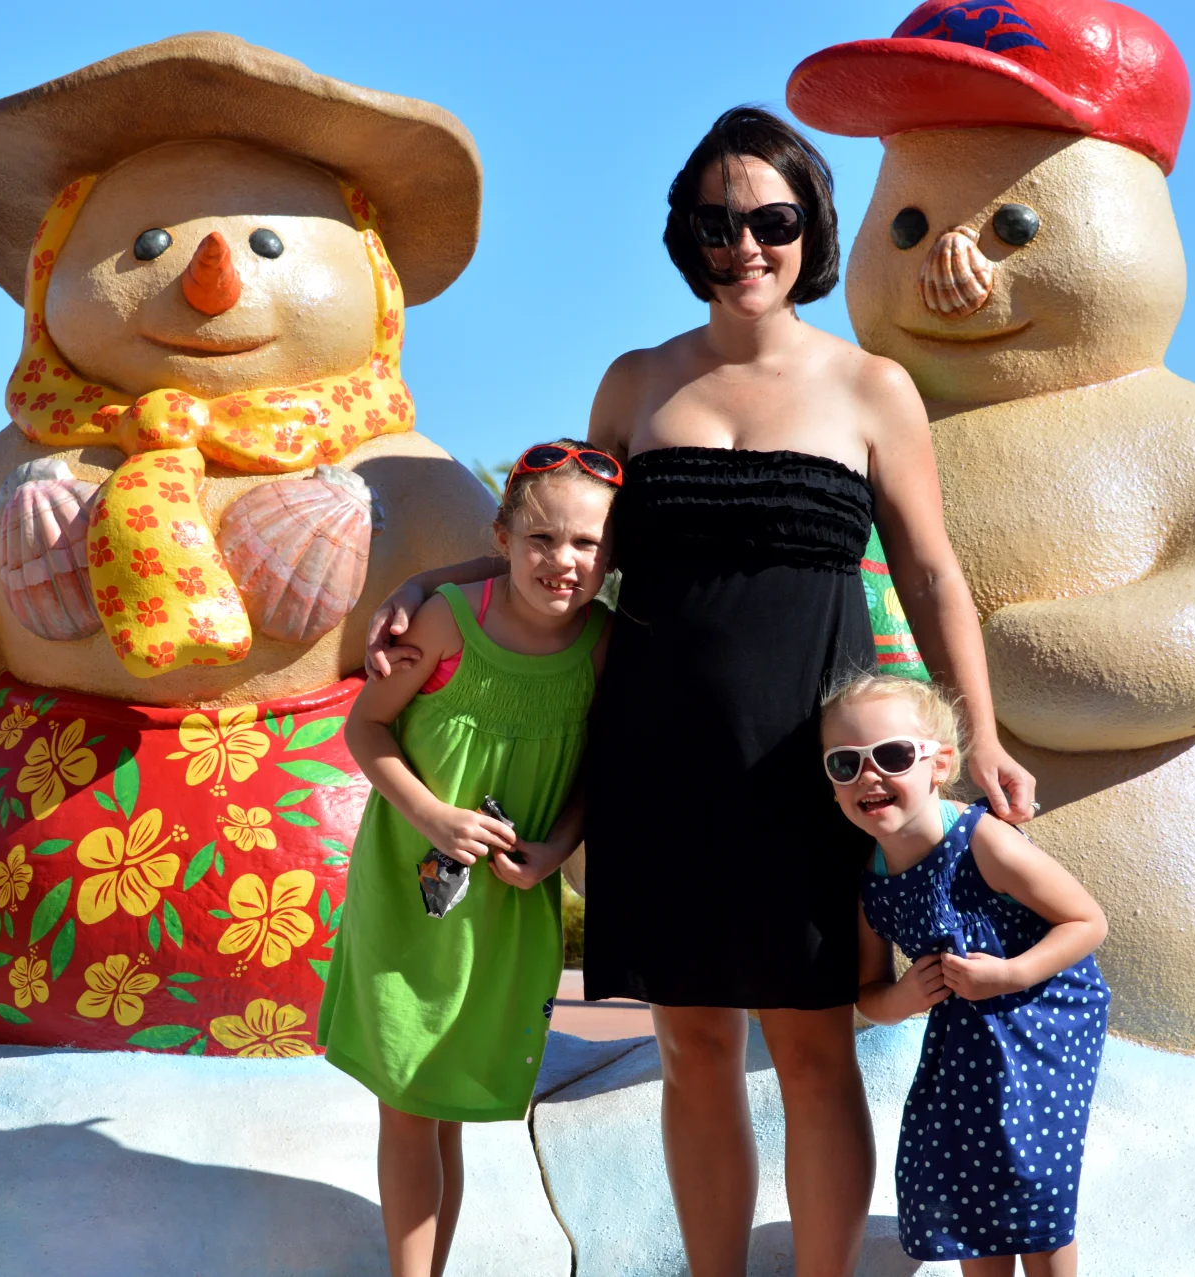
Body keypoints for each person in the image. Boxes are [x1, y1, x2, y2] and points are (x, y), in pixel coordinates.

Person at [365, 107, 1036, 1276]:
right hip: (656, 760)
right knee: (693, 1050)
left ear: (811, 224)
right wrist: (437, 578)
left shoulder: (872, 386)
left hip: (810, 767)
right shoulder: (636, 381)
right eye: (718, 224)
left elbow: (933, 572)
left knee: (815, 1049)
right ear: (688, 234)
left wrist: (978, 736)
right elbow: (573, 546)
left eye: (771, 219)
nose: (745, 246)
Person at [318, 440, 617, 1277]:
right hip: (405, 898)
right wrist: (433, 814)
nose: (563, 560)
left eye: (587, 543)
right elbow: (366, 726)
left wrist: (557, 848)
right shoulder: (451, 617)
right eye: (542, 538)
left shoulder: (603, 643)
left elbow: (595, 769)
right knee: (408, 1105)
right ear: (503, 538)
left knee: (441, 1102)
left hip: (506, 911)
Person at [826, 673, 1108, 1276]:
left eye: (892, 756)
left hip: (1044, 1018)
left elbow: (1086, 921)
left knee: (1031, 1173)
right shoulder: (871, 881)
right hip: (964, 1035)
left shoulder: (982, 842)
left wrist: (1012, 974)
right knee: (960, 1175)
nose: (868, 776)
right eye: (845, 764)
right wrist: (904, 997)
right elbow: (869, 994)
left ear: (939, 764)